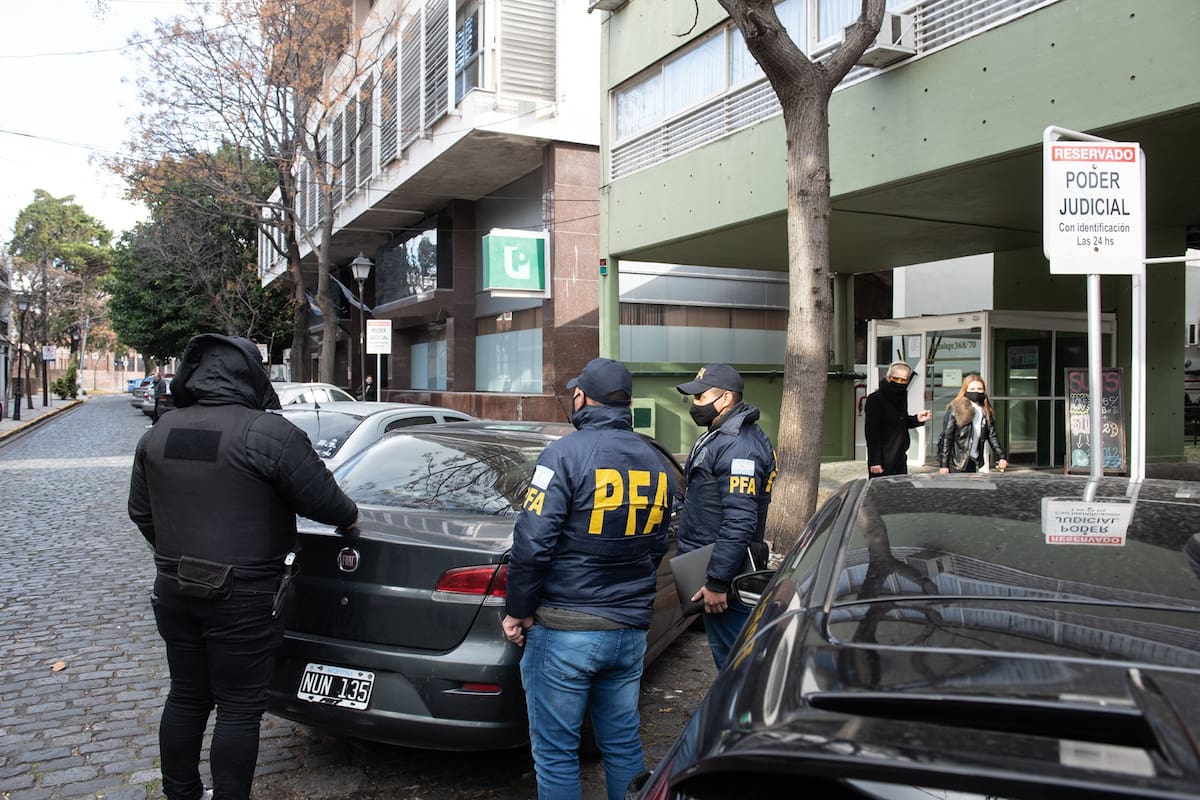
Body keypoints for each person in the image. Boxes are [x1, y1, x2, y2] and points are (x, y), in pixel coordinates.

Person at [127, 334, 360, 800]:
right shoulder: (268, 434)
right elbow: (327, 503)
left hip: (174, 589)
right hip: (245, 595)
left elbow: (141, 512)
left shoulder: (159, 433)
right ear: (252, 375)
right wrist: (353, 520)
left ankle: (180, 793)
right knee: (237, 708)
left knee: (186, 696)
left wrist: (176, 556)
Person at [502, 357, 675, 800]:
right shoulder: (654, 460)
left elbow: (532, 541)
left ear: (583, 397)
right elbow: (658, 541)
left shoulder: (562, 455)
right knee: (621, 744)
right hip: (629, 630)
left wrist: (518, 610)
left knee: (557, 752)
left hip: (566, 629)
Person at [675, 363, 776, 669]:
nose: (695, 404)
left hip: (725, 576)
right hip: (711, 565)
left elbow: (739, 520)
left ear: (727, 399)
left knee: (738, 667)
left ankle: (743, 716)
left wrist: (718, 582)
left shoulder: (738, 447)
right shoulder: (720, 434)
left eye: (701, 397)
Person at [864, 361, 932, 477]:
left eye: (904, 380)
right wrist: (875, 461)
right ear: (888, 377)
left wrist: (917, 419)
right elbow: (871, 432)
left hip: (900, 456)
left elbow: (900, 422)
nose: (900, 383)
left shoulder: (901, 397)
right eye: (896, 379)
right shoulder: (875, 399)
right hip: (883, 459)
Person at [937, 372, 1009, 473]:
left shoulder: (985, 410)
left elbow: (992, 436)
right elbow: (947, 437)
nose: (976, 392)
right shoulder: (956, 408)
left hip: (973, 460)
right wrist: (944, 464)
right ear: (965, 390)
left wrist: (1001, 456)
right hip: (956, 461)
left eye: (979, 389)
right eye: (972, 389)